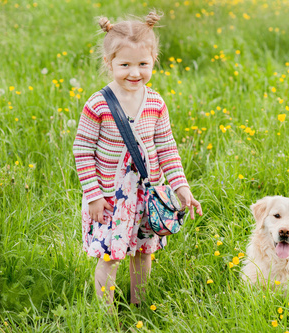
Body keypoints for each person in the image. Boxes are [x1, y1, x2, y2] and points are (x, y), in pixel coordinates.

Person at [72, 10, 202, 307]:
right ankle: (104, 316)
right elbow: (82, 149)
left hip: (147, 196)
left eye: (143, 64)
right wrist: (93, 195)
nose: (135, 72)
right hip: (109, 199)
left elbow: (167, 147)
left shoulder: (156, 102)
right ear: (109, 63)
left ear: (153, 60)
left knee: (144, 254)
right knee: (110, 257)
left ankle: (138, 306)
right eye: (125, 65)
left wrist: (181, 187)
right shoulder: (98, 104)